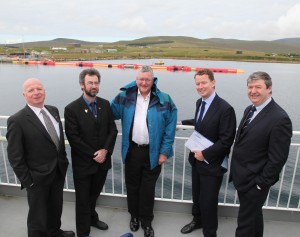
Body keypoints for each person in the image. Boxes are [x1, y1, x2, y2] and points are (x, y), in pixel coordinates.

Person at [110, 65, 177, 237]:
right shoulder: (126, 96)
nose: (144, 82)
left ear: (153, 80)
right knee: (132, 187)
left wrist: (164, 151)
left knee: (148, 189)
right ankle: (134, 217)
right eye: (141, 79)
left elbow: (170, 128)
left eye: (148, 79)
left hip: (153, 152)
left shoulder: (165, 99)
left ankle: (146, 221)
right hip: (132, 150)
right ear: (136, 80)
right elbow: (108, 113)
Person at [6, 78, 75, 237]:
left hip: (57, 172)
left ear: (44, 91)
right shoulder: (17, 120)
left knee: (55, 208)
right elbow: (15, 156)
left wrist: (62, 163)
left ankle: (54, 231)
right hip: (36, 178)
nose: (36, 92)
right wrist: (28, 181)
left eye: (39, 88)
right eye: (31, 90)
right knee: (38, 217)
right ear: (24, 95)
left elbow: (57, 141)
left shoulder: (53, 110)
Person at [230, 71, 292, 237]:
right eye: (250, 87)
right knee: (254, 217)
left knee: (244, 224)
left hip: (255, 183)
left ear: (269, 89)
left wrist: (260, 184)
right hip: (243, 177)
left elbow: (278, 158)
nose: (253, 91)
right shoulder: (250, 110)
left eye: (258, 87)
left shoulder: (280, 118)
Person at [179, 69, 237, 237]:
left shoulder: (226, 109)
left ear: (213, 82)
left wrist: (205, 154)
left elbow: (226, 140)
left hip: (213, 164)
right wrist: (182, 123)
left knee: (209, 201)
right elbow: (201, 121)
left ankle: (210, 232)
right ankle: (197, 220)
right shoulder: (200, 102)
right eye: (197, 83)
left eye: (204, 82)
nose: (200, 86)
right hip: (196, 161)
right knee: (196, 196)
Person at [64, 68, 118, 237]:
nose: (94, 86)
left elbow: (113, 130)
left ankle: (92, 218)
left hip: (102, 163)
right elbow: (73, 138)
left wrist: (105, 150)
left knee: (94, 196)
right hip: (84, 164)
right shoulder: (72, 109)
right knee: (82, 200)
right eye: (90, 83)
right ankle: (83, 232)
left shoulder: (105, 104)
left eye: (96, 82)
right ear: (82, 85)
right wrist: (96, 154)